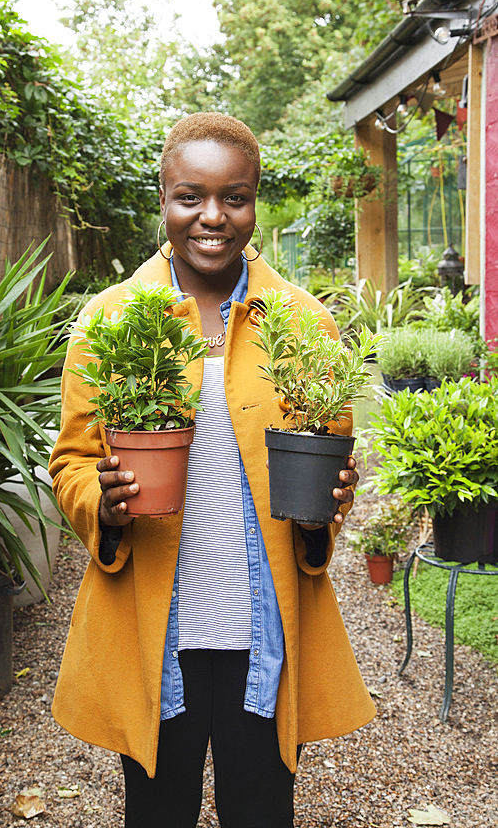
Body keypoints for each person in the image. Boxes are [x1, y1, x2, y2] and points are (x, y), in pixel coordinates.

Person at [49, 113, 376, 828]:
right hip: (152, 627)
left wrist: (329, 508)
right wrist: (99, 504)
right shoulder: (111, 319)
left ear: (254, 202)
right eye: (189, 196)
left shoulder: (301, 321)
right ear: (162, 198)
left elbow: (326, 455)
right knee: (156, 812)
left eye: (234, 197)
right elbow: (72, 460)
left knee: (260, 810)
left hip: (261, 629)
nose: (211, 217)